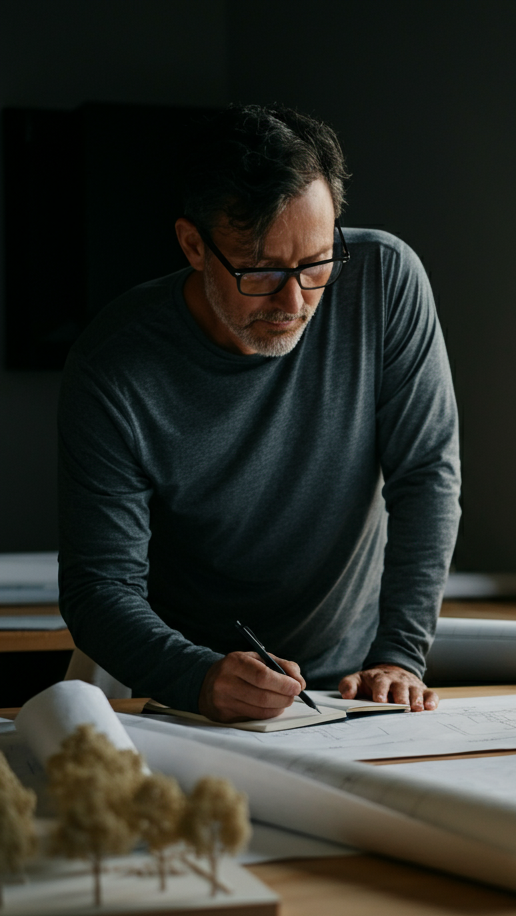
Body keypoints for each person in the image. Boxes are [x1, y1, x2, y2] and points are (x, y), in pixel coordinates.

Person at [57, 105, 460, 722]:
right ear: (194, 245)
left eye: (317, 263)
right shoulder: (114, 365)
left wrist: (400, 655)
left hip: (357, 687)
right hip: (192, 690)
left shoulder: (385, 282)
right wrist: (200, 676)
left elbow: (427, 475)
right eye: (263, 270)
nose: (295, 300)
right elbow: (98, 589)